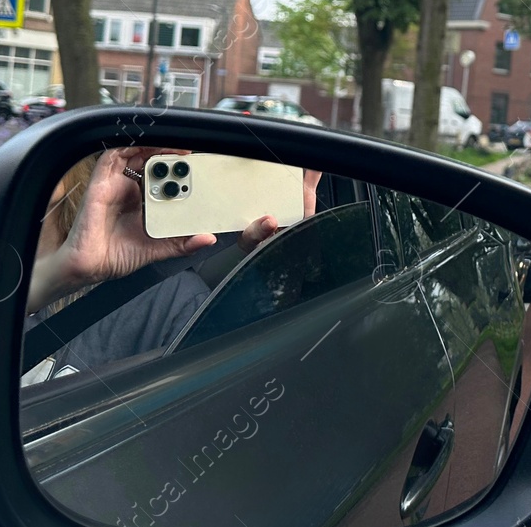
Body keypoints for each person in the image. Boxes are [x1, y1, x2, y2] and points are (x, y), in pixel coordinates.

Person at [22, 147, 315, 383]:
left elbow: (235, 383)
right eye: (158, 168)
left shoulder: (176, 302)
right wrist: (57, 277)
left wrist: (278, 270)